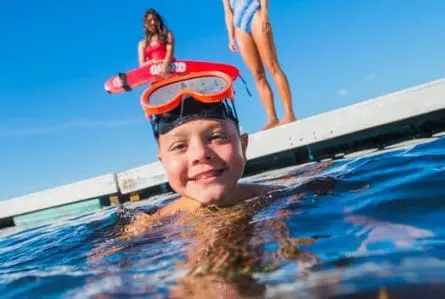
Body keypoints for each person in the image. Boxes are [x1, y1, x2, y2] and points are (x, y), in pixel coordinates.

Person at [221, 0, 296, 130]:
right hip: (239, 25)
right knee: (257, 75)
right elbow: (228, 11)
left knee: (272, 65)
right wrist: (231, 37)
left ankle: (289, 112)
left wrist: (265, 13)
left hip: (255, 13)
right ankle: (272, 117)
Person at [138, 8, 175, 77]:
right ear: (145, 24)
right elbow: (141, 65)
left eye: (155, 20)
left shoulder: (167, 35)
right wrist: (153, 62)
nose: (153, 22)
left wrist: (165, 65)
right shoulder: (142, 44)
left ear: (159, 21)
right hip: (155, 74)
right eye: (150, 20)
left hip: (170, 69)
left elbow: (170, 51)